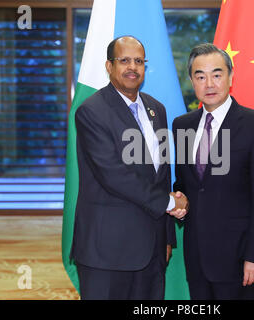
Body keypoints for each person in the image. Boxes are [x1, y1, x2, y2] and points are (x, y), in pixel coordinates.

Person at [70, 36, 188, 300]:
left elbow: (162, 174)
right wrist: (169, 204)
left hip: (152, 249)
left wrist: (167, 237)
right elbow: (114, 174)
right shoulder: (91, 112)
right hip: (107, 251)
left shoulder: (157, 109)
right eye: (124, 60)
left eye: (138, 61)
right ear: (109, 66)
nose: (132, 67)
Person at [172, 43, 254, 300]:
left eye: (217, 74)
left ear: (231, 77)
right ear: (192, 81)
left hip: (239, 259)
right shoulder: (181, 126)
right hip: (196, 257)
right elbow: (187, 182)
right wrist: (178, 199)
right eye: (200, 76)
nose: (209, 83)